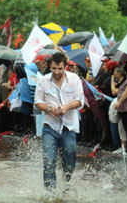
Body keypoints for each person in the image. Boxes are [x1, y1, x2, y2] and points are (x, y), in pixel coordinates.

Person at [34, 52, 85, 189]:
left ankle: (66, 185)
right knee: (48, 162)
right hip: (50, 127)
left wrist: (67, 107)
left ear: (65, 67)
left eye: (60, 69)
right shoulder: (43, 81)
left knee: (70, 161)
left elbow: (80, 101)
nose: (57, 72)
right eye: (54, 68)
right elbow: (37, 102)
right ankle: (50, 193)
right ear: (50, 66)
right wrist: (50, 109)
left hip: (69, 127)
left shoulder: (74, 79)